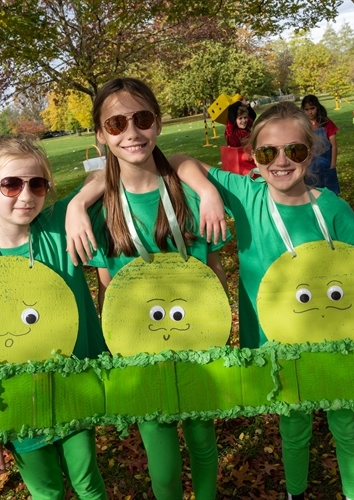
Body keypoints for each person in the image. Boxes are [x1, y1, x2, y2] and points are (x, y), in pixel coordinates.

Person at [169, 101, 354, 500]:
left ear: (312, 151)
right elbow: (178, 158)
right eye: (268, 152)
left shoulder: (335, 210)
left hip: (334, 335)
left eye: (296, 151)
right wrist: (208, 192)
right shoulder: (246, 195)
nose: (282, 161)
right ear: (254, 156)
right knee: (293, 424)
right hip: (278, 340)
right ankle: (296, 492)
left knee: (347, 422)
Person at [65, 77, 229, 500]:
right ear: (101, 135)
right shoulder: (100, 210)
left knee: (203, 443)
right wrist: (76, 203)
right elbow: (108, 290)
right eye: (116, 123)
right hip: (139, 352)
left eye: (142, 118)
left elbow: (216, 268)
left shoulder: (191, 192)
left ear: (158, 123)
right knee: (164, 463)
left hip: (198, 342)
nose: (131, 132)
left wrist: (220, 333)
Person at [0, 137, 107, 500]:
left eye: (37, 184)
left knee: (87, 482)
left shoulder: (58, 230)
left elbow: (104, 177)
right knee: (46, 491)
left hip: (74, 388)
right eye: (10, 184)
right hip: (19, 403)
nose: (26, 195)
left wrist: (79, 203)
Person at [301, 94, 340, 194]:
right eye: (307, 109)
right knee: (313, 195)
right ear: (303, 110)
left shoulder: (326, 123)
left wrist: (332, 165)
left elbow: (334, 145)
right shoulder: (302, 126)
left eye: (312, 108)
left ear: (317, 107)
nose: (310, 112)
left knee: (331, 195)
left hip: (327, 168)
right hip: (310, 169)